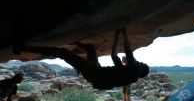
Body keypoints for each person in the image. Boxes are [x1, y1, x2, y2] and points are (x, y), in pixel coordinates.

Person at [14, 28, 149, 90]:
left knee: (61, 52)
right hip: (96, 72)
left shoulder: (133, 71)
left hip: (94, 73)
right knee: (90, 48)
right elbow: (114, 56)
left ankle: (22, 48)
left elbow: (128, 51)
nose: (140, 62)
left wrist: (123, 34)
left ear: (141, 69)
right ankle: (75, 44)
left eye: (142, 64)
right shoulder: (128, 73)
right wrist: (116, 36)